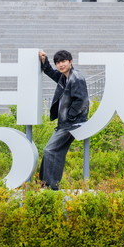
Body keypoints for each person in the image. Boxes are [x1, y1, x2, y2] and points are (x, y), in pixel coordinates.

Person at [38, 49, 89, 190]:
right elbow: (50, 72)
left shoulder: (76, 78)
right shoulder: (64, 77)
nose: (60, 65)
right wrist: (44, 60)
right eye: (58, 62)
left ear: (70, 61)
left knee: (50, 150)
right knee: (54, 152)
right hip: (66, 123)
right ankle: (46, 184)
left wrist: (70, 116)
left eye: (63, 61)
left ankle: (50, 186)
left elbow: (81, 100)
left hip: (72, 123)